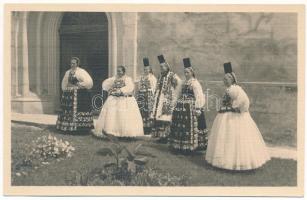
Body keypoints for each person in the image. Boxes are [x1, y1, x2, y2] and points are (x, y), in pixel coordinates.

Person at [205, 62, 270, 170]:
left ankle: (235, 162)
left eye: (228, 78)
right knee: (225, 138)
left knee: (234, 138)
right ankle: (225, 161)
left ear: (233, 79)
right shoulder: (230, 89)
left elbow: (244, 99)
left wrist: (235, 107)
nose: (226, 80)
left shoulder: (234, 89)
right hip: (225, 116)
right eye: (224, 78)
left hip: (232, 117)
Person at [169, 58, 208, 152]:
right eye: (185, 72)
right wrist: (173, 104)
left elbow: (199, 96)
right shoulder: (183, 83)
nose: (186, 74)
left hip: (191, 109)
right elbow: (178, 94)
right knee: (181, 126)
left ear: (192, 72)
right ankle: (181, 145)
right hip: (182, 109)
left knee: (190, 127)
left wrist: (198, 108)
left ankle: (191, 146)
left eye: (187, 72)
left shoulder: (195, 83)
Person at [94, 65, 144, 138]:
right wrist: (111, 89)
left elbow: (130, 87)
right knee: (112, 114)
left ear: (123, 72)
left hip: (124, 99)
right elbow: (106, 84)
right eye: (117, 71)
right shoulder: (114, 78)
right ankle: (112, 132)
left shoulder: (127, 79)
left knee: (123, 115)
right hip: (114, 98)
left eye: (120, 71)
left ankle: (124, 133)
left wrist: (121, 90)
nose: (118, 72)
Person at [56, 57, 94, 133]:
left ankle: (80, 129)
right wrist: (65, 90)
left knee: (79, 110)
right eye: (71, 63)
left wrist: (80, 84)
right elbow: (64, 83)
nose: (72, 65)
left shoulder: (82, 72)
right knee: (68, 111)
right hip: (69, 95)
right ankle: (67, 128)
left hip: (79, 95)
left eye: (74, 63)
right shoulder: (67, 72)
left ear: (77, 64)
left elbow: (89, 82)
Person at [151, 55, 182, 142]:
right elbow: (157, 86)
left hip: (167, 99)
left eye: (163, 66)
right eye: (160, 67)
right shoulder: (160, 75)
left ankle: (167, 136)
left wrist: (174, 93)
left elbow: (179, 83)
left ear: (167, 67)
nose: (161, 68)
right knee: (159, 117)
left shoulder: (172, 75)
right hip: (159, 98)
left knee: (166, 117)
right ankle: (161, 136)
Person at [136, 57, 157, 135]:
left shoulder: (152, 78)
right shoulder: (141, 77)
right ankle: (142, 127)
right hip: (141, 95)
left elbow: (154, 88)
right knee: (141, 110)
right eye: (144, 69)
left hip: (148, 96)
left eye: (147, 69)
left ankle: (149, 128)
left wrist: (152, 96)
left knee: (148, 111)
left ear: (150, 69)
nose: (146, 70)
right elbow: (139, 86)